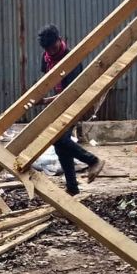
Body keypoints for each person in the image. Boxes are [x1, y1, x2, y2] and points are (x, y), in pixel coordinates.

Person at [39, 25, 105, 195]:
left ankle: (93, 161)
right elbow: (47, 82)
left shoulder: (71, 59)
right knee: (60, 145)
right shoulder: (46, 58)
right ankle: (72, 188)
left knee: (59, 139)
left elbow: (71, 92)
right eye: (48, 49)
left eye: (53, 48)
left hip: (74, 103)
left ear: (59, 40)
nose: (51, 52)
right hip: (59, 104)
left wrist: (46, 101)